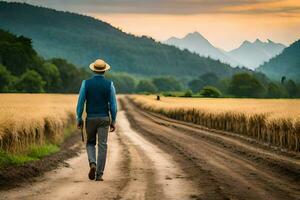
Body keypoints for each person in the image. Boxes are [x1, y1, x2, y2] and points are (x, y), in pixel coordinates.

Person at [76, 59, 117, 181]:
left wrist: (79, 118)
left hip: (91, 118)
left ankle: (92, 163)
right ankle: (99, 174)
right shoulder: (110, 84)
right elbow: (113, 105)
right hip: (104, 118)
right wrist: (113, 120)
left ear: (93, 69)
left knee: (90, 143)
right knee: (103, 145)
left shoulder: (85, 83)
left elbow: (80, 102)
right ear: (104, 70)